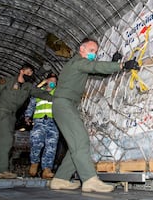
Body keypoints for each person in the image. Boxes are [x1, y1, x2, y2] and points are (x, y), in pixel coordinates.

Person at [49, 37, 139, 192]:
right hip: (63, 104)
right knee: (81, 140)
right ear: (81, 49)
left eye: (95, 52)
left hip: (67, 105)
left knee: (76, 144)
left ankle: (60, 179)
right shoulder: (78, 62)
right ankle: (90, 180)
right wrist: (122, 65)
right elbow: (96, 66)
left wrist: (112, 63)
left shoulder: (81, 65)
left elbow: (98, 73)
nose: (93, 54)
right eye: (91, 51)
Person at [0, 64, 52, 179]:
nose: (29, 75)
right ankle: (2, 170)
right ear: (21, 71)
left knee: (3, 141)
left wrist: (59, 97)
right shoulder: (7, 81)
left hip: (12, 116)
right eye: (27, 72)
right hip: (2, 112)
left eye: (31, 74)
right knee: (7, 140)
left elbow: (42, 94)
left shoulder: (28, 87)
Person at [24, 72, 59, 179]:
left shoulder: (57, 93)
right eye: (51, 80)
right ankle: (34, 164)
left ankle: (47, 170)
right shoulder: (38, 92)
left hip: (53, 123)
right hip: (39, 122)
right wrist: (27, 116)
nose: (53, 83)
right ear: (46, 81)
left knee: (51, 147)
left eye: (55, 81)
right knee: (36, 144)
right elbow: (31, 105)